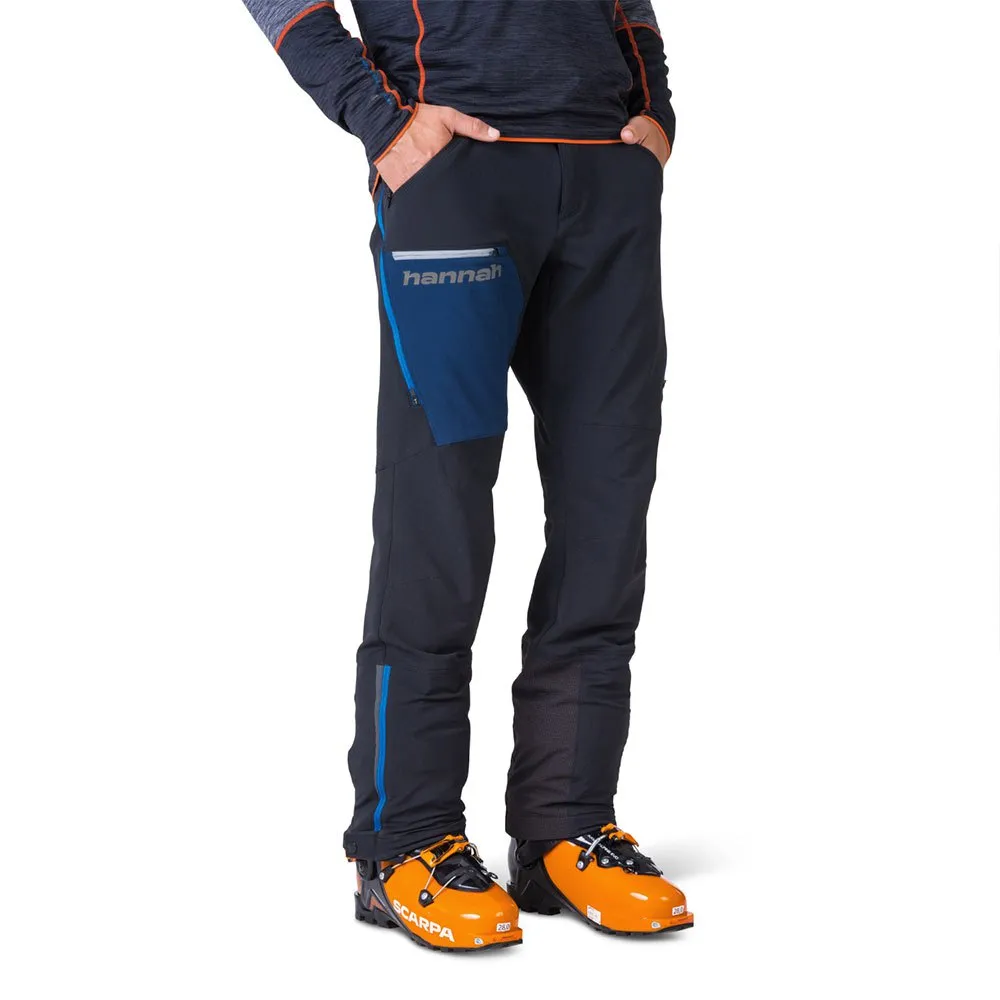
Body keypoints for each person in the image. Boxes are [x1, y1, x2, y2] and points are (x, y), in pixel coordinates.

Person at [241, 0, 692, 951]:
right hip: (456, 172)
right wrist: (379, 118)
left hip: (607, 177)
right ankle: (404, 840)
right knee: (437, 519)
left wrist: (652, 107)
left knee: (607, 512)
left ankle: (566, 823)